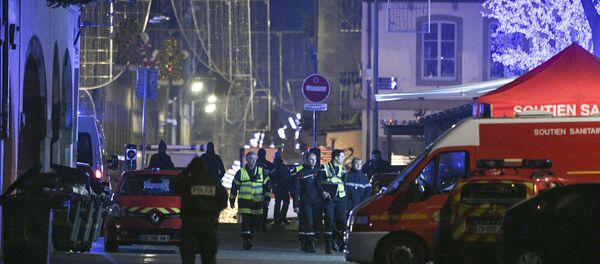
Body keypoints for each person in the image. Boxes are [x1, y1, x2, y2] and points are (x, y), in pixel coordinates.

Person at [171, 157, 228, 264]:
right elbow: (223, 200)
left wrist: (184, 172)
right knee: (209, 257)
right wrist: (215, 211)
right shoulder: (213, 183)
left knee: (188, 257)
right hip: (208, 223)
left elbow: (174, 186)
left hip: (190, 223)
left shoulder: (188, 183)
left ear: (192, 168)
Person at [229, 152, 271, 250]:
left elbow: (267, 186)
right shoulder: (240, 172)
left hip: (257, 201)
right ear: (246, 160)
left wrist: (267, 199)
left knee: (256, 221)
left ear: (256, 159)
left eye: (253, 158)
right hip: (244, 201)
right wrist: (231, 200)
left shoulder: (261, 172)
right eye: (250, 159)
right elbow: (234, 187)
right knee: (246, 221)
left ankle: (250, 235)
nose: (252, 160)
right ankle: (246, 240)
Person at [292, 152, 323, 253]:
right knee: (308, 222)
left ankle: (311, 241)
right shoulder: (300, 173)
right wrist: (296, 205)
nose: (314, 161)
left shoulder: (319, 172)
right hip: (306, 202)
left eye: (315, 159)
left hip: (318, 202)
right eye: (311, 159)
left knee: (316, 223)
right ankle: (309, 243)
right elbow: (296, 190)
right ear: (306, 160)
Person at [320, 149, 347, 253]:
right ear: (336, 157)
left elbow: (344, 183)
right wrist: (323, 192)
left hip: (341, 198)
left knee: (342, 222)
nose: (343, 158)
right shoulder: (324, 168)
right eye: (342, 156)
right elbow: (319, 182)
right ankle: (328, 245)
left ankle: (338, 241)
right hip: (329, 198)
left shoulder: (342, 169)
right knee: (329, 221)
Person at [270, 151, 293, 225]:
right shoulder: (283, 166)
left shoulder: (274, 166)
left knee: (278, 203)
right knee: (285, 202)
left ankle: (277, 218)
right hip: (284, 188)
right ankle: (282, 218)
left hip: (278, 188)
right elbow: (288, 177)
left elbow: (271, 176)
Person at [256, 148, 274, 230]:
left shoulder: (254, 164)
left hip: (256, 189)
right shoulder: (269, 165)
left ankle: (257, 224)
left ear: (258, 154)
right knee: (265, 206)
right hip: (267, 188)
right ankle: (263, 224)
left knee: (256, 206)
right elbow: (274, 176)